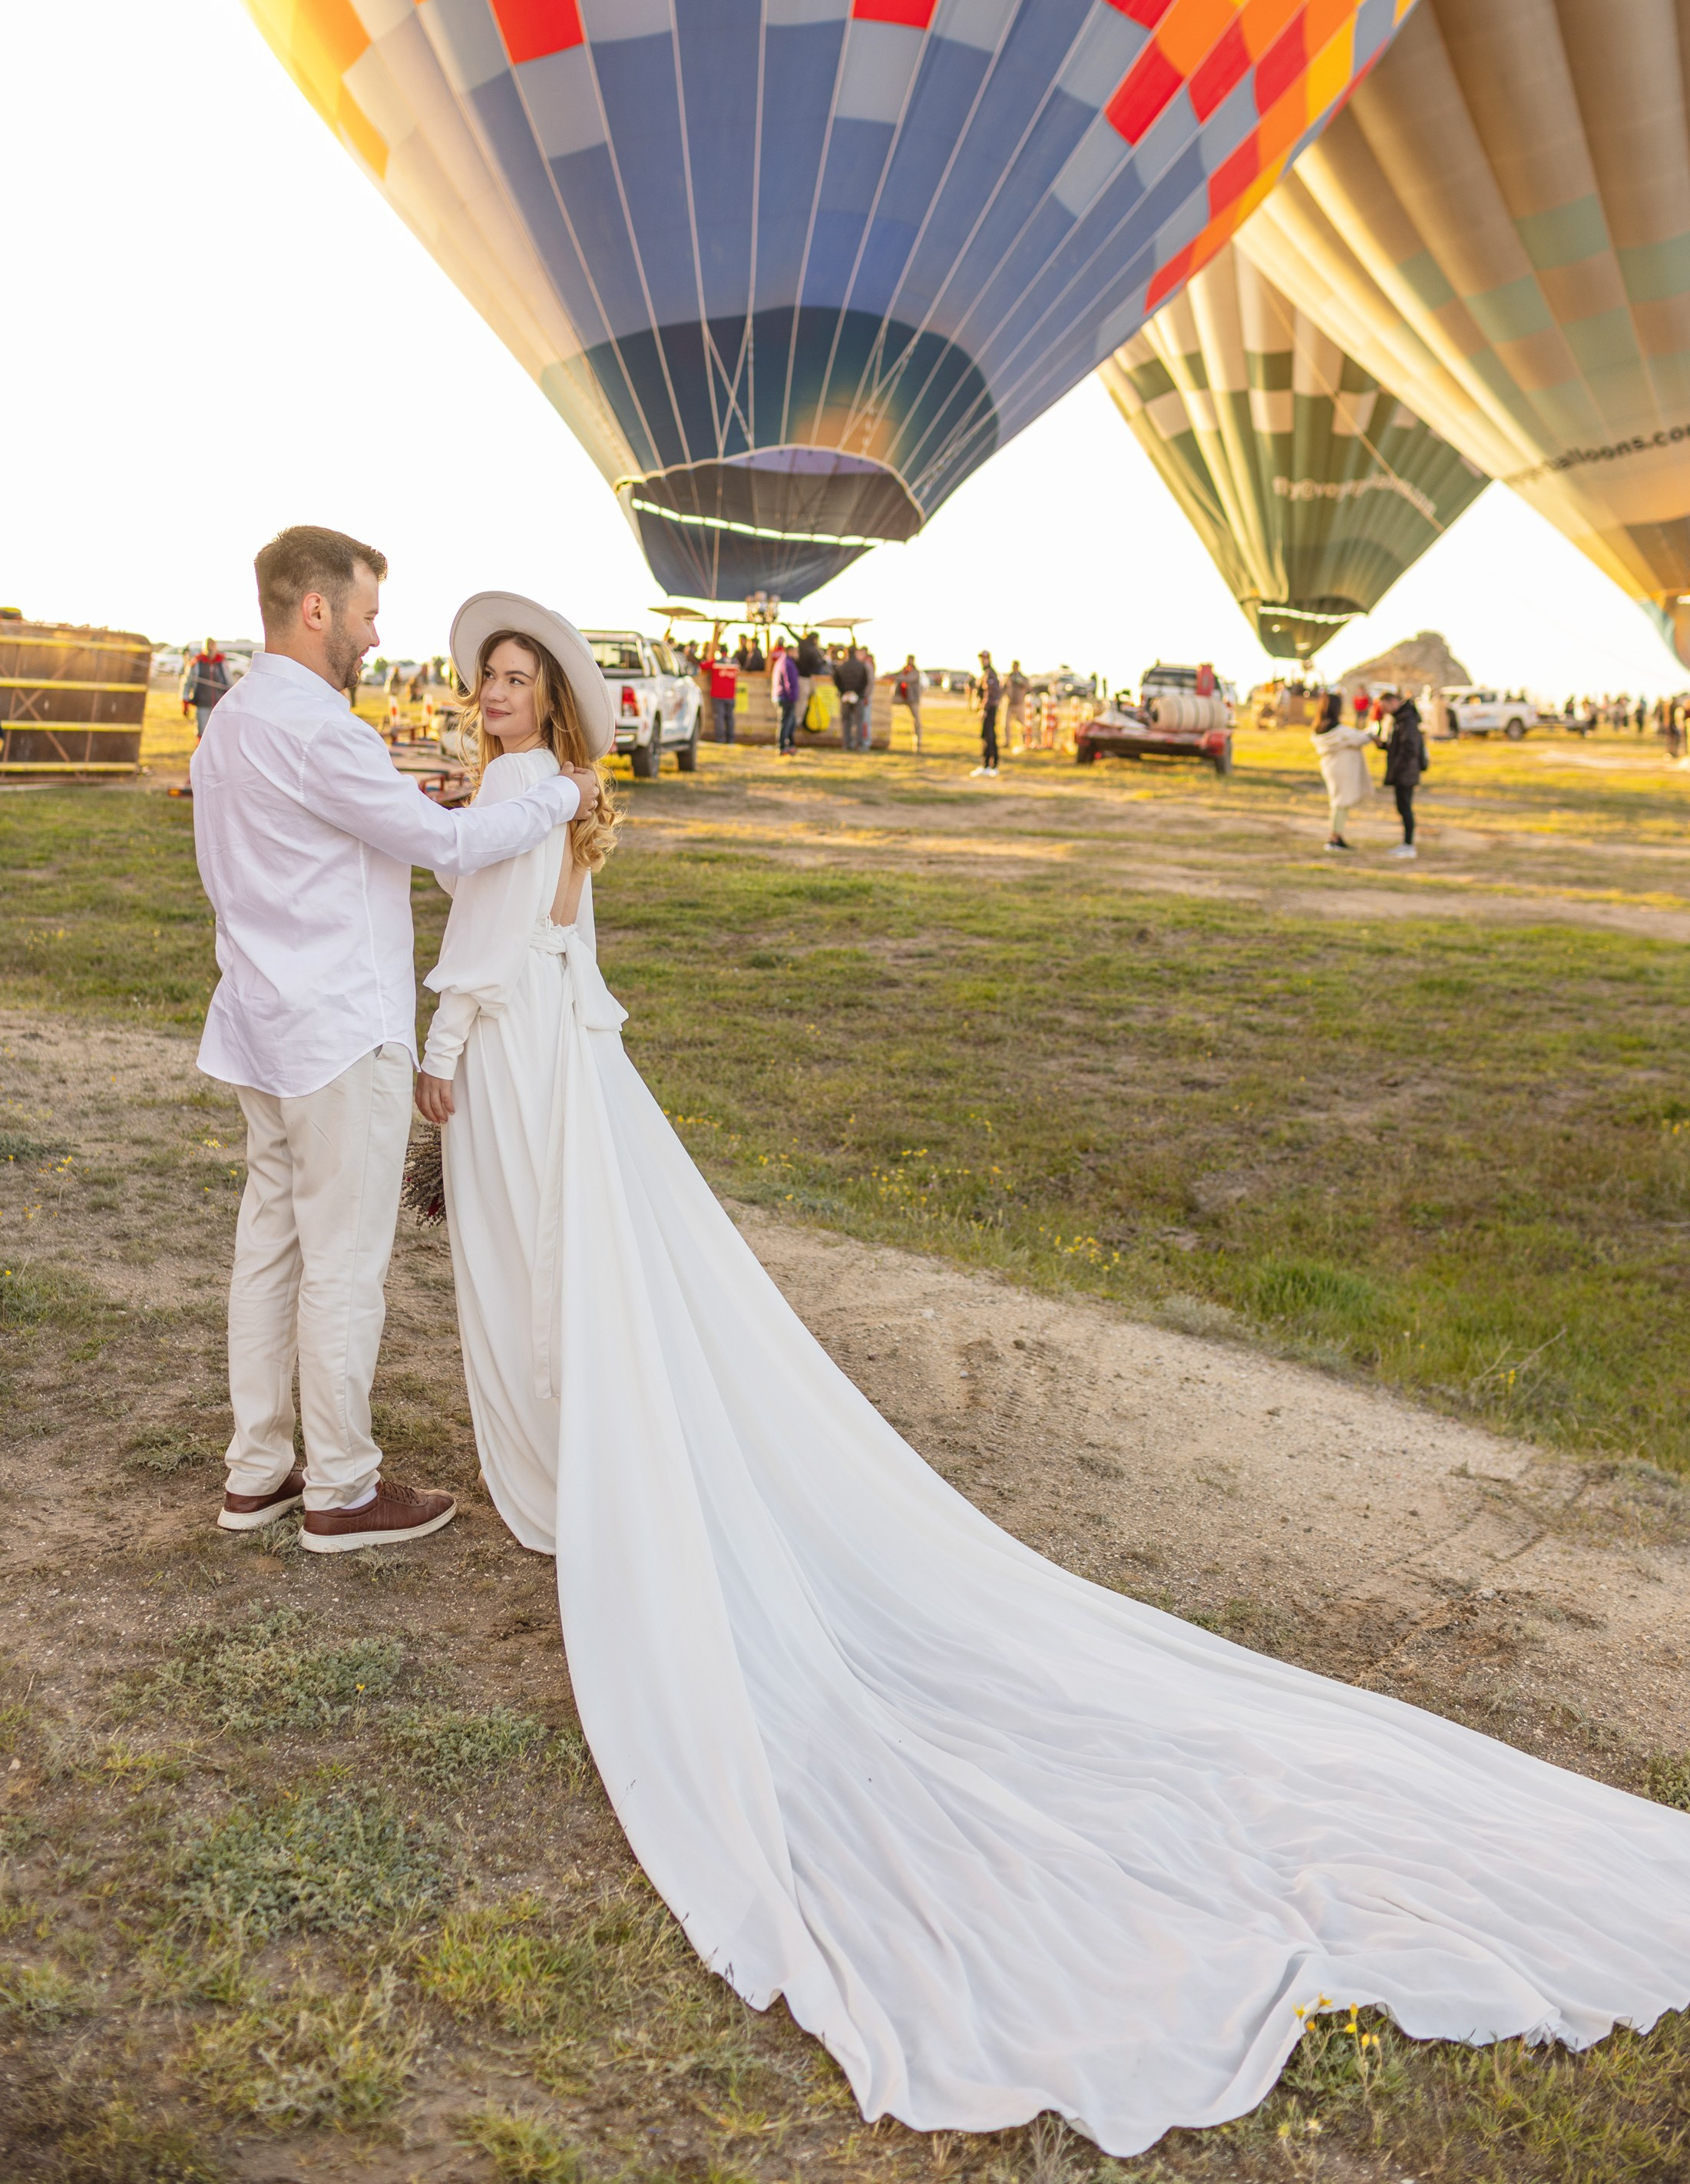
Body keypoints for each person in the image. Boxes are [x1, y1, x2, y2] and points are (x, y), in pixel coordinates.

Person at [410, 584, 1690, 2161]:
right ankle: (575, 1463)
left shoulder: (523, 793)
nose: (499, 695)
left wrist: (435, 1049)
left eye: (521, 678)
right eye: (490, 679)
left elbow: (474, 912)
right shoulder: (556, 795)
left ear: (558, 703)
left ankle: (572, 1474)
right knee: (578, 1284)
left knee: (552, 1278)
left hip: (524, 1054)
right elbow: (524, 912)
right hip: (563, 1054)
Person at [190, 529, 596, 1552]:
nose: (377, 633)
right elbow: (453, 849)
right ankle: (341, 1487)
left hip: (257, 1025)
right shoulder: (325, 730)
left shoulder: (231, 724)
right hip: (338, 1032)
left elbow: (301, 842)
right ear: (317, 609)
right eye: (368, 611)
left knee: (268, 1250)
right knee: (344, 1260)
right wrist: (560, 794)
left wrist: (413, 807)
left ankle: (256, 1473)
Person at [1311, 690, 1371, 851]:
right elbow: (1359, 738)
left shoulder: (1320, 729)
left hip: (1330, 768)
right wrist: (1372, 732)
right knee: (1340, 803)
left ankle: (1337, 836)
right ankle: (1334, 838)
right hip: (1340, 769)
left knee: (1338, 802)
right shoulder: (1338, 731)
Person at [1376, 688, 1427, 859]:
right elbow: (1399, 745)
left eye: (1385, 706)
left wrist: (1398, 766)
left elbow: (1409, 747)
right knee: (1402, 807)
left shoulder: (1407, 720)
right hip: (1403, 770)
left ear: (1393, 702)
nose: (1385, 711)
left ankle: (1409, 845)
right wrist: (1382, 745)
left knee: (1405, 807)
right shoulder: (1400, 719)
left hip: (1406, 771)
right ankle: (1406, 844)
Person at [180, 637, 230, 736]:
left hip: (220, 705)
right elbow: (187, 682)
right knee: (202, 732)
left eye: (212, 646)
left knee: (219, 733)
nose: (210, 648)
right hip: (202, 704)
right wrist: (185, 700)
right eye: (208, 646)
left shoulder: (222, 662)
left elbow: (229, 681)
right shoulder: (197, 662)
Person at [835, 643, 869, 751]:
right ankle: (859, 745)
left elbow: (836, 680)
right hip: (857, 697)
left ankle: (846, 744)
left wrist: (844, 691)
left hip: (845, 697)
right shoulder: (861, 666)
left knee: (846, 722)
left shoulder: (842, 666)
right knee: (859, 721)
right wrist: (857, 693)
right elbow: (865, 681)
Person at [973, 649, 1002, 774]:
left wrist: (984, 708)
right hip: (988, 708)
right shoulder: (986, 673)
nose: (982, 661)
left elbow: (990, 694)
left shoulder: (990, 674)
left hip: (989, 709)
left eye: (984, 659)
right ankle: (989, 764)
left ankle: (989, 765)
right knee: (988, 735)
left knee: (988, 736)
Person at [772, 640, 800, 755]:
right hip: (786, 697)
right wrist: (793, 697)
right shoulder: (788, 663)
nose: (798, 654)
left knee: (790, 722)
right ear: (790, 651)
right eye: (796, 651)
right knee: (785, 723)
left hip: (780, 695)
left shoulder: (781, 661)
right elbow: (789, 682)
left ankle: (790, 746)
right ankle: (782, 747)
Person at [706, 647, 738, 746]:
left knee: (719, 717)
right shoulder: (734, 662)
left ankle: (720, 739)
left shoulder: (716, 662)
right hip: (730, 695)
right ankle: (730, 740)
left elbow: (703, 666)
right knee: (730, 718)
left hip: (718, 695)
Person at [892, 655, 923, 753]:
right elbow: (897, 675)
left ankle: (917, 744)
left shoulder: (915, 672)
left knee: (916, 721)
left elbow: (907, 679)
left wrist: (898, 677)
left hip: (913, 699)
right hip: (902, 696)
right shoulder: (904, 670)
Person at [1004, 658, 1029, 753]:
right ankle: (1007, 741)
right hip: (1010, 703)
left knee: (1022, 724)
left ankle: (1024, 741)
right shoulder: (1009, 676)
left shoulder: (1022, 677)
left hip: (1019, 704)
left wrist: (1020, 682)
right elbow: (1004, 687)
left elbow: (1027, 687)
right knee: (1006, 724)